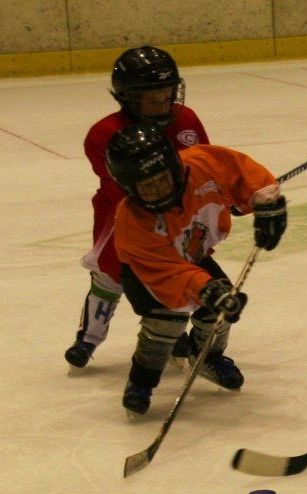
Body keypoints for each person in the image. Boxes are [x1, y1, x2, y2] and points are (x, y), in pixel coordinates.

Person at [106, 124, 287, 415]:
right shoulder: (133, 223)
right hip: (149, 274)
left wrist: (265, 199)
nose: (159, 191)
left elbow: (239, 170)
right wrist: (205, 288)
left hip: (192, 260)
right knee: (166, 322)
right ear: (130, 189)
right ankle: (142, 381)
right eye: (148, 187)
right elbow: (169, 273)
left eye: (162, 179)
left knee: (220, 309)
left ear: (175, 168)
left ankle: (208, 358)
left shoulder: (200, 165)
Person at [64, 46, 210, 368]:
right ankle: (88, 337)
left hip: (178, 218)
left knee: (174, 275)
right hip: (120, 218)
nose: (162, 102)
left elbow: (204, 166)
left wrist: (224, 195)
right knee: (110, 276)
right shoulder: (103, 133)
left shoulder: (185, 119)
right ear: (128, 97)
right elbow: (125, 189)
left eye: (167, 92)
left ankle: (172, 336)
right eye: (151, 96)